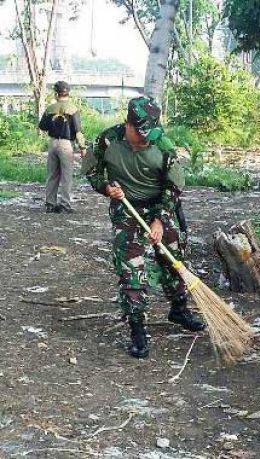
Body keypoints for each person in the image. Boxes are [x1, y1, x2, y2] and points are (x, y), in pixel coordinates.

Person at [83, 96, 204, 359]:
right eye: (141, 133)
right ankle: (137, 328)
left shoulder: (163, 146)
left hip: (159, 205)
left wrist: (160, 219)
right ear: (128, 124)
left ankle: (179, 309)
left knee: (173, 259)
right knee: (131, 268)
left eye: (151, 132)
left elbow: (174, 187)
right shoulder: (107, 141)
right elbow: (92, 171)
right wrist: (106, 188)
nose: (146, 138)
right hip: (126, 209)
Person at [38, 81, 86, 213]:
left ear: (56, 93)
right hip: (66, 145)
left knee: (52, 174)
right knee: (66, 175)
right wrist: (82, 148)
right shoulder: (73, 108)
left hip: (53, 143)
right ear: (68, 93)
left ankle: (50, 204)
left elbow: (42, 126)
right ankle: (65, 205)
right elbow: (78, 131)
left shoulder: (50, 108)